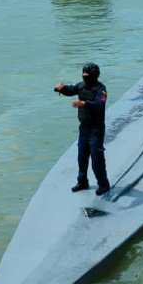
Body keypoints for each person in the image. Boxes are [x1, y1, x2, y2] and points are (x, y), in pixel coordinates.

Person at [54, 63, 110, 196]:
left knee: (96, 158)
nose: (85, 77)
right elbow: (71, 89)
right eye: (83, 74)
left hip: (96, 129)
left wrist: (84, 103)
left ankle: (103, 184)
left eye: (87, 75)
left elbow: (100, 104)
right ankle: (82, 181)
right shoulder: (81, 86)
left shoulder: (101, 89)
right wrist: (61, 88)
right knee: (82, 156)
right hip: (84, 128)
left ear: (94, 75)